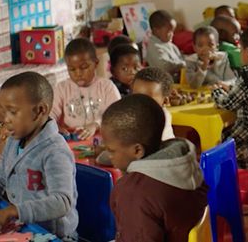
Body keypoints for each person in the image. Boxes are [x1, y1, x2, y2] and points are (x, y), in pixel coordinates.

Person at [0, 72, 78, 239]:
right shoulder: (14, 140)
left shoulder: (55, 151)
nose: (5, 119)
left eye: (12, 112)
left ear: (39, 111)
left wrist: (14, 211)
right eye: (4, 112)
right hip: (24, 226)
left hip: (53, 234)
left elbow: (61, 202)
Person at [102, 94, 207, 242]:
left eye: (111, 150)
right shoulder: (184, 162)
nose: (109, 155)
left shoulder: (133, 192)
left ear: (137, 150)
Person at [212, 25, 248, 171]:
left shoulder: (247, 76)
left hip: (247, 137)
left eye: (241, 50)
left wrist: (217, 91)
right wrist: (231, 87)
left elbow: (228, 103)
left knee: (223, 141)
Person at [51, 38, 121, 140]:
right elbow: (50, 115)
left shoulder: (107, 87)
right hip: (71, 140)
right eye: (72, 69)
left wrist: (96, 124)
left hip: (103, 139)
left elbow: (116, 114)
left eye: (84, 67)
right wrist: (55, 127)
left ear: (96, 63)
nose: (78, 74)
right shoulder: (61, 88)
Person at [132, 67, 176, 141]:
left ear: (165, 101)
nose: (140, 102)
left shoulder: (162, 119)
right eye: (136, 96)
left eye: (148, 99)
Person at [145, 10, 186, 82]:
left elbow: (181, 59)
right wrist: (182, 64)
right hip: (163, 84)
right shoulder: (154, 47)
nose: (172, 34)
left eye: (173, 31)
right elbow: (163, 66)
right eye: (169, 31)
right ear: (156, 31)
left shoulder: (171, 46)